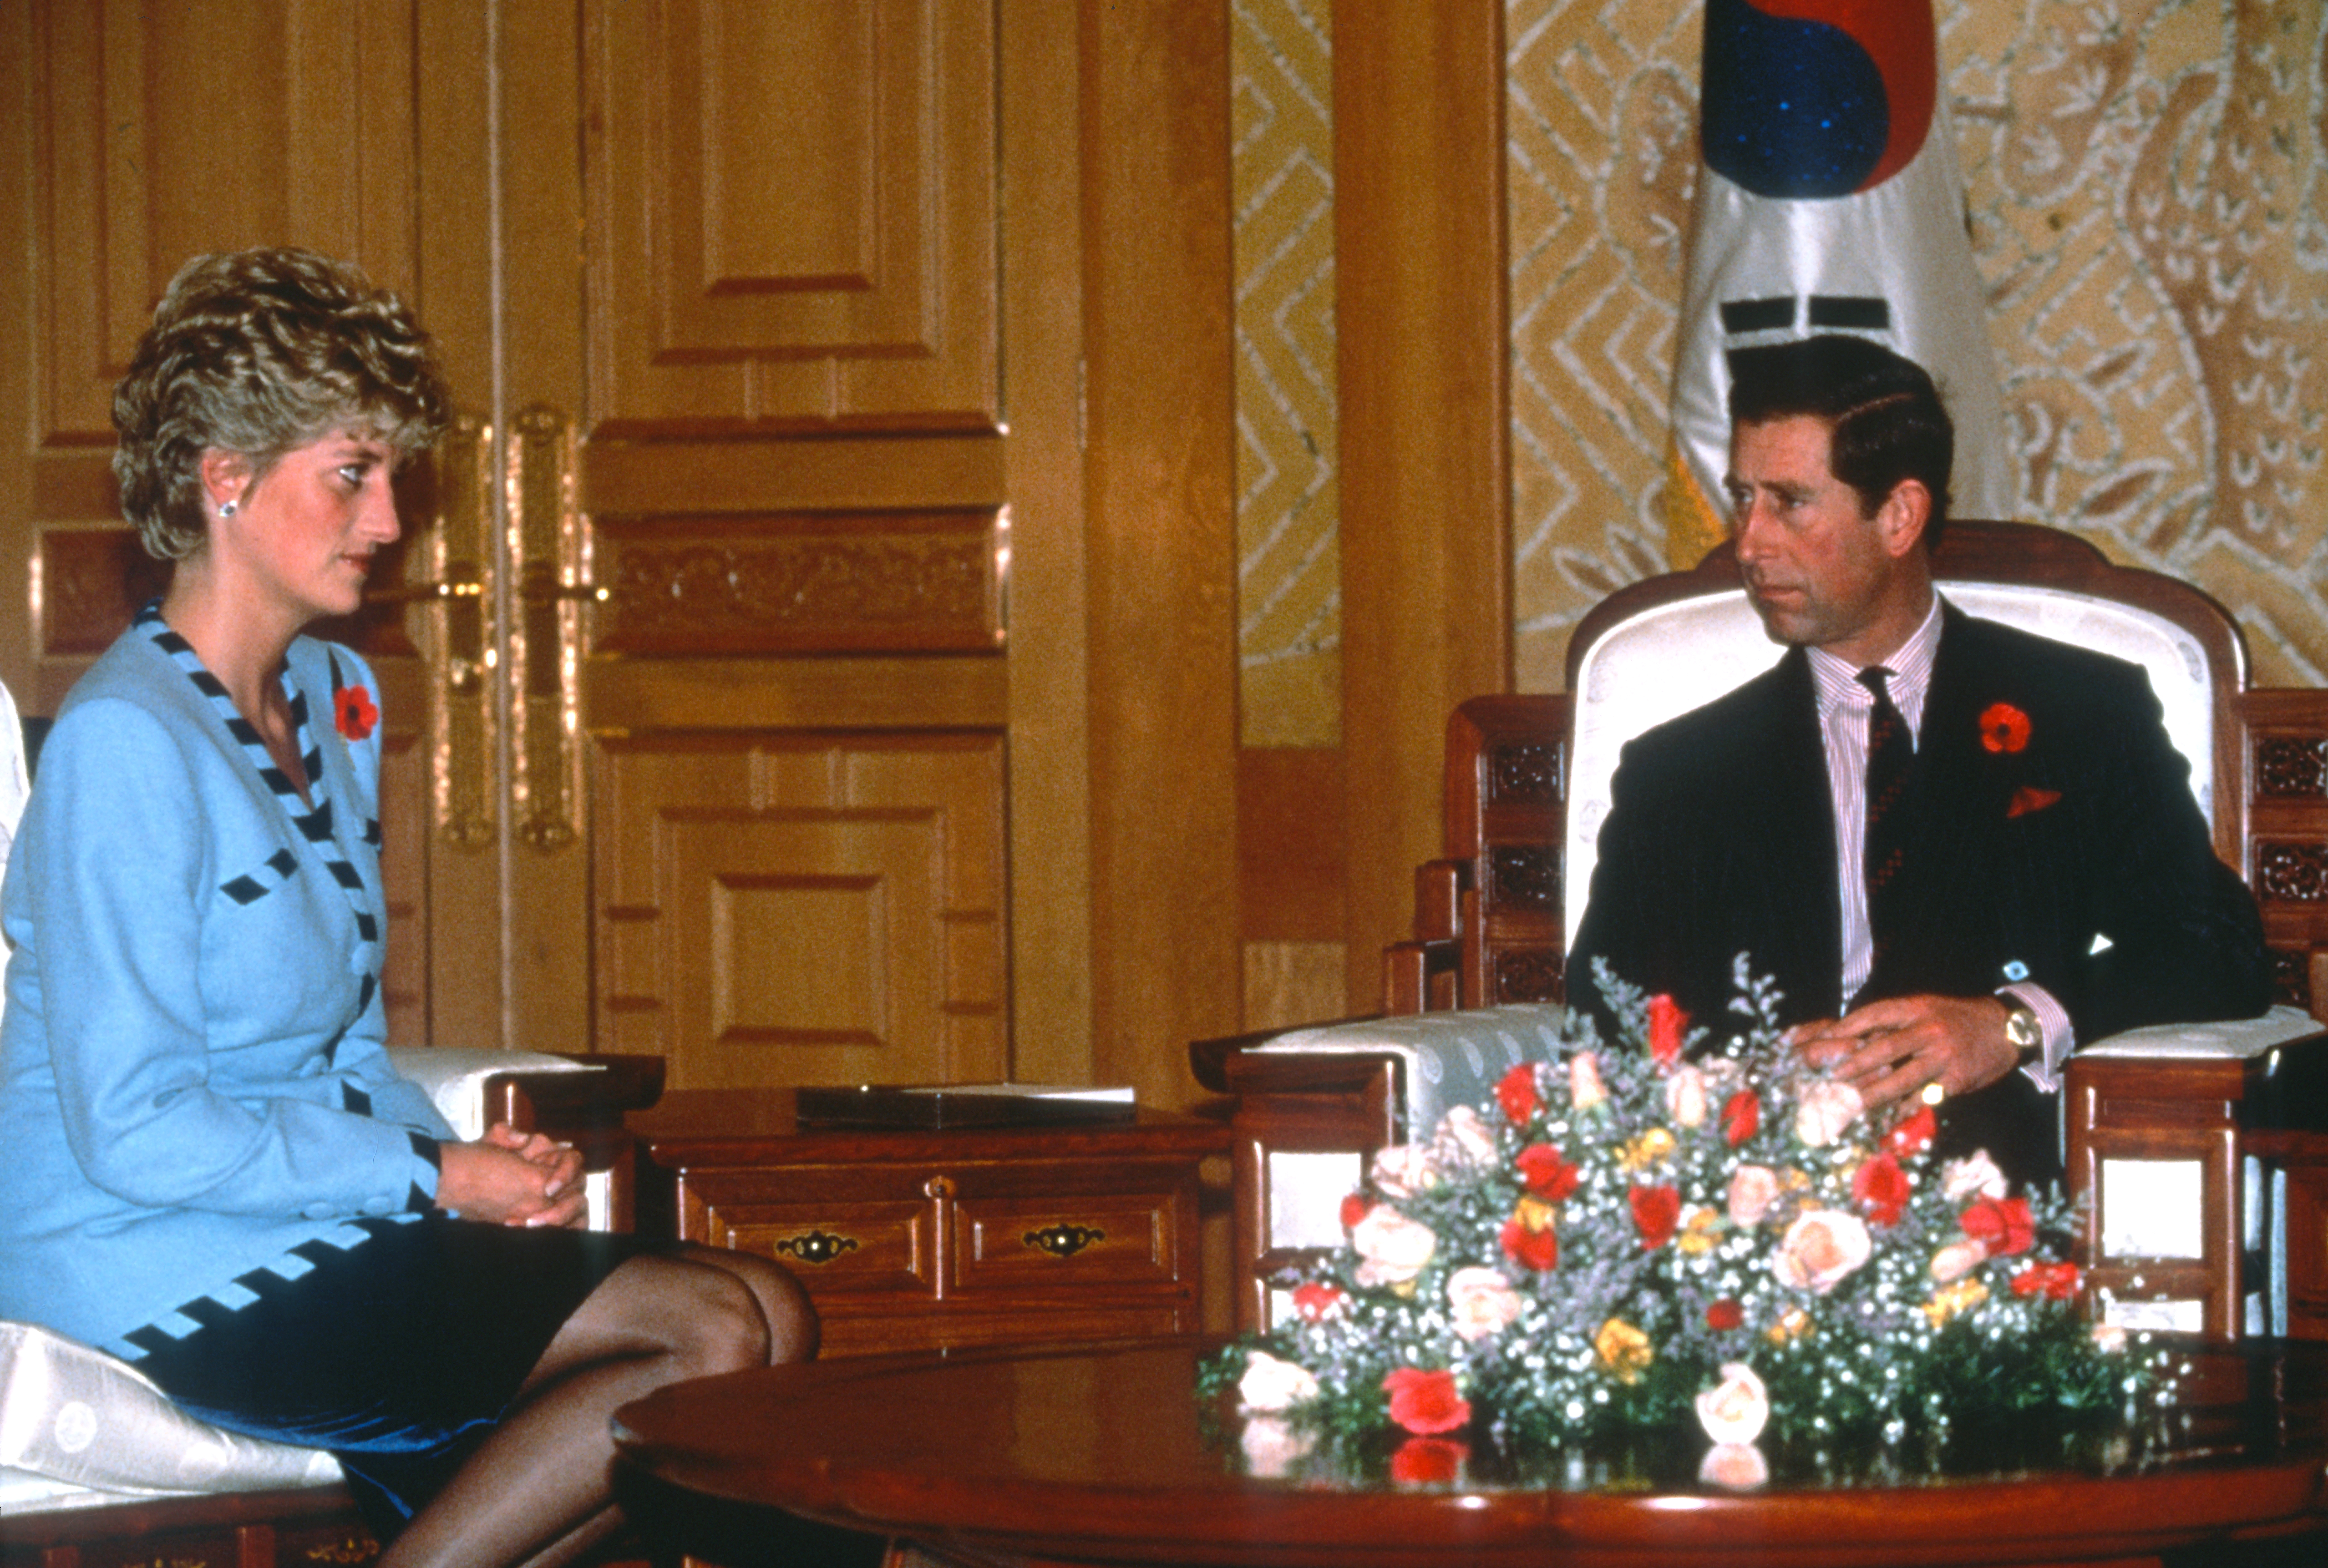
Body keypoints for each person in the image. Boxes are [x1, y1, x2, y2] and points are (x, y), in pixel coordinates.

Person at [0, 248, 816, 1568]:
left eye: (390, 477)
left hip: (291, 1219)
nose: (387, 520)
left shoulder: (333, 697)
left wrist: (471, 1169)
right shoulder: (125, 745)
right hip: (144, 1256)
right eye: (349, 475)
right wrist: (432, 1172)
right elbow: (137, 1127)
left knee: (771, 1309)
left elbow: (337, 1046)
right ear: (224, 477)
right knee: (706, 1331)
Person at [1567, 334, 2271, 1184]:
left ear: (1899, 515)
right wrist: (1740, 1078)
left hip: (2009, 1185)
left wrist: (2010, 1025)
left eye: (1790, 502)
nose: (1748, 543)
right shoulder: (1678, 771)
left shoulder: (2083, 712)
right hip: (1755, 1200)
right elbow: (1600, 1018)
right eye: (1743, 498)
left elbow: (2216, 948)